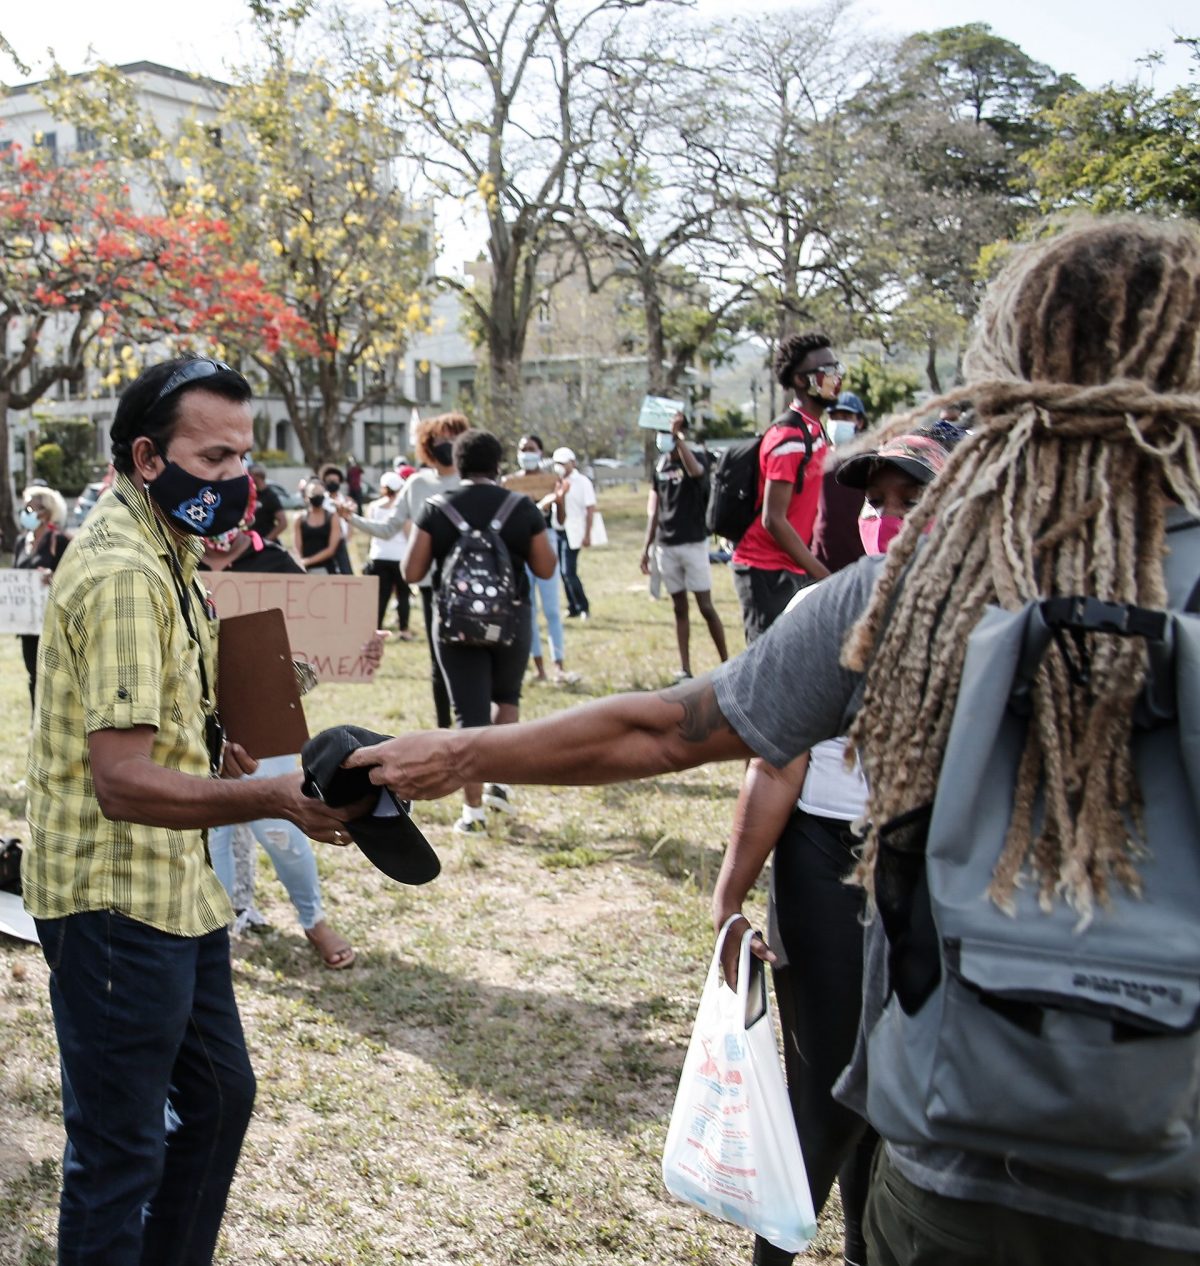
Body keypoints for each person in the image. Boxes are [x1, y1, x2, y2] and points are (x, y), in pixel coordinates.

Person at [343, 217, 1200, 1265]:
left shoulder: (912, 593)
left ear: (1005, 372)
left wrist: (460, 754)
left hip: (957, 1169)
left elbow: (665, 729)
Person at [22, 355, 362, 1266]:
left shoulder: (170, 548)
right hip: (112, 900)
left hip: (175, 888)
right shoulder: (127, 571)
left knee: (217, 1100)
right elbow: (123, 780)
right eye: (212, 461)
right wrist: (271, 797)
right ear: (145, 457)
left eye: (242, 458)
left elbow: (161, 722)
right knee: (119, 1150)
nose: (235, 481)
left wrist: (218, 739)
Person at [713, 427, 957, 1266]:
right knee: (825, 1094)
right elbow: (775, 768)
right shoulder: (823, 608)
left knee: (902, 1098)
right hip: (825, 866)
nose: (887, 520)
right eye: (876, 502)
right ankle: (776, 1254)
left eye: (911, 500)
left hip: (933, 871)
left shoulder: (995, 612)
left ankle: (865, 1251)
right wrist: (728, 896)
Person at [199, 525, 359, 970]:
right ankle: (219, 933)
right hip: (193, 719)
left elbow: (314, 640)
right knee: (213, 829)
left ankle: (314, 921)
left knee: (281, 826)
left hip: (261, 720)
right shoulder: (176, 555)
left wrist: (351, 643)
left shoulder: (274, 563)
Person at [405, 428, 556, 834]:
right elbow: (545, 568)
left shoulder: (437, 507)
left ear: (458, 462)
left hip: (454, 625)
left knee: (468, 716)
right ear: (498, 464)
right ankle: (500, 783)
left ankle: (472, 814)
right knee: (506, 701)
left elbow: (411, 572)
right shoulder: (521, 506)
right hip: (512, 619)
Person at [353, 413, 468, 728]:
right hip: (434, 588)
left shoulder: (474, 481)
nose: (448, 445)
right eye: (441, 440)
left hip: (472, 586)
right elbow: (389, 527)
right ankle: (447, 731)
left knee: (473, 662)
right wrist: (352, 518)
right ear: (428, 446)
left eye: (454, 438)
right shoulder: (418, 484)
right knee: (440, 662)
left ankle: (477, 728)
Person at [731, 332, 837, 642]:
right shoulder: (789, 438)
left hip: (792, 565)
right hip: (766, 570)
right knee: (765, 670)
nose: (835, 377)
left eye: (836, 368)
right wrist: (821, 574)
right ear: (801, 380)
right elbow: (773, 519)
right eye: (826, 370)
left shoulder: (815, 431)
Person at [640, 412, 728, 680]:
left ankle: (726, 661)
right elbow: (656, 510)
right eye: (662, 432)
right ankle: (685, 668)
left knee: (705, 606)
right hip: (667, 544)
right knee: (679, 607)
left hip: (693, 542)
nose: (662, 437)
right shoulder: (660, 466)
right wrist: (647, 547)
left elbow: (697, 472)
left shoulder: (696, 458)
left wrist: (679, 440)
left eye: (668, 432)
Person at [501, 433, 577, 684]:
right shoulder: (510, 483)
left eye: (531, 449)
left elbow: (561, 521)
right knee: (528, 608)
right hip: (519, 547)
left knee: (552, 608)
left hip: (546, 540)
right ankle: (538, 667)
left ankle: (559, 664)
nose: (526, 454)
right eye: (523, 449)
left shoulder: (550, 481)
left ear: (540, 452)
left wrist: (560, 499)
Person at [13, 484, 70, 707]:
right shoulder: (21, 542)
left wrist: (53, 576)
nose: (24, 514)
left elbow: (73, 576)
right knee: (33, 675)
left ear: (44, 512)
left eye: (29, 509)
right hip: (27, 624)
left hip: (51, 622)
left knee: (53, 678)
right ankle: (34, 724)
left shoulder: (60, 541)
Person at [344, 470, 414, 637]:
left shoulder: (374, 506)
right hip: (400, 556)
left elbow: (370, 529)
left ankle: (377, 629)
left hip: (378, 555)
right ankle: (404, 630)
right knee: (403, 595)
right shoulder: (403, 508)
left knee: (381, 596)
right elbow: (407, 532)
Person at [811, 391, 871, 575]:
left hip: (859, 559)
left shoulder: (871, 461)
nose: (838, 422)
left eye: (845, 416)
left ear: (859, 422)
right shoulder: (817, 459)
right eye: (833, 417)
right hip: (821, 559)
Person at [550, 446, 596, 620]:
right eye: (557, 463)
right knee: (563, 572)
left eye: (563, 462)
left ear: (572, 463)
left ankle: (583, 606)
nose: (560, 466)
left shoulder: (582, 482)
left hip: (575, 531)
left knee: (569, 571)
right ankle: (573, 606)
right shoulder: (556, 482)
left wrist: (587, 534)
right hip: (559, 530)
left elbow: (590, 508)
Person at [295, 478, 341, 572]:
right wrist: (300, 563)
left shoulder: (332, 517)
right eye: (314, 494)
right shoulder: (300, 518)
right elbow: (297, 547)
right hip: (305, 570)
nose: (317, 496)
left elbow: (331, 549)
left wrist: (308, 561)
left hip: (326, 569)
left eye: (320, 494)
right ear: (307, 496)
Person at [248, 463, 287, 542]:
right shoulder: (251, 495)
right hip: (252, 541)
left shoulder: (270, 496)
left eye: (249, 475)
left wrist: (267, 540)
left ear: (257, 476)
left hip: (265, 543)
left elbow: (283, 522)